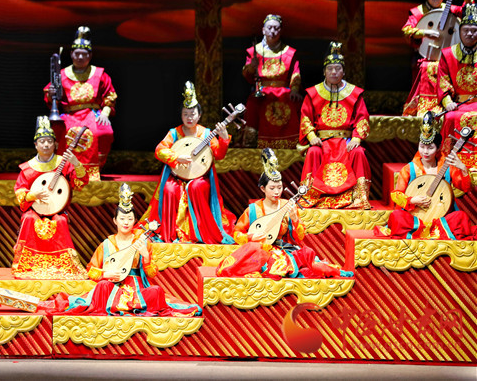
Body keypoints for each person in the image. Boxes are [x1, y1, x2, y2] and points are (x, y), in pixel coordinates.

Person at [48, 184, 201, 316]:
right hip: (113, 286)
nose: (126, 222)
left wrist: (146, 257)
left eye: (129, 219)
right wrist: (105, 274)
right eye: (122, 219)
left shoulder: (142, 241)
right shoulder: (107, 244)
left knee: (156, 291)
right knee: (102, 287)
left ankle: (128, 306)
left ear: (135, 221)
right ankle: (118, 306)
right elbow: (91, 271)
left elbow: (152, 273)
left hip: (137, 289)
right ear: (115, 221)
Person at [217, 149, 350, 278]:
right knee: (254, 253)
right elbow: (236, 233)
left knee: (307, 254)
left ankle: (333, 271)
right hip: (259, 250)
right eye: (272, 188)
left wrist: (295, 219)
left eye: (279, 187)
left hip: (282, 250)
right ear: (263, 188)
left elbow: (299, 237)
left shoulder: (288, 206)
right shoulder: (253, 209)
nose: (277, 192)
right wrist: (251, 237)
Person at [137, 81, 236, 243]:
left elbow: (218, 155)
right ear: (181, 115)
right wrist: (176, 157)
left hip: (200, 177)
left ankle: (200, 233)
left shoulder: (206, 134)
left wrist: (224, 138)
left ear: (199, 115)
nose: (189, 118)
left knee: (196, 187)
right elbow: (159, 150)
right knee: (169, 189)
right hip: (177, 177)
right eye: (185, 114)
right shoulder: (174, 133)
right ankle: (170, 234)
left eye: (192, 114)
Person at [375, 112, 475, 240]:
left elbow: (465, 187)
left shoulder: (447, 167)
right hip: (415, 217)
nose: (425, 152)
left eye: (430, 148)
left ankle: (425, 232)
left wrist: (463, 168)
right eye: (422, 147)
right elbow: (396, 194)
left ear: (438, 148)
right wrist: (412, 200)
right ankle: (434, 232)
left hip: (441, 216)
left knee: (461, 217)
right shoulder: (410, 169)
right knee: (397, 216)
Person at [11, 116, 89, 280]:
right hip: (35, 209)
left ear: (56, 144)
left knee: (60, 221)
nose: (46, 145)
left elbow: (80, 183)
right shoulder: (28, 168)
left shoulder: (64, 163)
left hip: (57, 210)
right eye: (42, 141)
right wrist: (33, 195)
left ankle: (61, 266)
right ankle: (28, 266)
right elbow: (20, 191)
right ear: (35, 145)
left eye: (49, 141)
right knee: (29, 219)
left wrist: (76, 163)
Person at [298, 42, 372, 209]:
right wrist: (312, 136)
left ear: (343, 72)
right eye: (330, 68)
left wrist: (357, 138)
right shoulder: (313, 93)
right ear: (324, 71)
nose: (333, 72)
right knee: (313, 152)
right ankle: (311, 196)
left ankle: (359, 197)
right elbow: (305, 118)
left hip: (346, 142)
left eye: (338, 68)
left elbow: (362, 118)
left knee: (358, 152)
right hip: (322, 142)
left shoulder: (354, 93)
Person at [44, 26, 117, 181]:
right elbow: (49, 96)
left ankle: (93, 169)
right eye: (77, 53)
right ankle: (64, 169)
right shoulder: (62, 74)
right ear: (71, 54)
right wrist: (51, 94)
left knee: (105, 132)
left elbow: (110, 96)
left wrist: (105, 113)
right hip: (69, 114)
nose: (80, 57)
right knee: (57, 130)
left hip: (93, 113)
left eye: (84, 54)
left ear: (90, 55)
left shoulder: (100, 74)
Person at [403, 0, 473, 116]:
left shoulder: (450, 9)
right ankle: (424, 109)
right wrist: (425, 32)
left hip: (447, 57)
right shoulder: (418, 12)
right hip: (426, 56)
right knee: (427, 68)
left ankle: (450, 104)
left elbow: (469, 10)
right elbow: (406, 30)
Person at [241, 14, 303, 149]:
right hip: (262, 92)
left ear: (281, 30)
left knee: (295, 102)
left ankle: (292, 145)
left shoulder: (289, 52)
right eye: (269, 28)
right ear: (263, 30)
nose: (273, 31)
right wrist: (251, 66)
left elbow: (295, 74)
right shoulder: (254, 51)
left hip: (284, 92)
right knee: (252, 103)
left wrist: (294, 90)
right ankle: (251, 144)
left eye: (276, 28)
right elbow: (247, 76)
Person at [436, 2, 477, 171]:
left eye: (474, 30)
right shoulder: (448, 54)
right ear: (459, 31)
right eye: (466, 30)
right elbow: (443, 81)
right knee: (451, 117)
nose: (470, 34)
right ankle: (449, 165)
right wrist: (447, 102)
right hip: (459, 103)